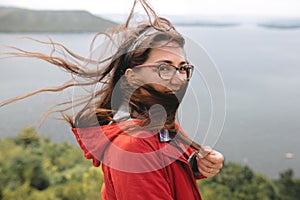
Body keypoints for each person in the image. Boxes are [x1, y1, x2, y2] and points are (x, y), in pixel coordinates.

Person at [1, 0, 224, 199]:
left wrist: (194, 165)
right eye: (164, 67)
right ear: (133, 76)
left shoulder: (158, 121)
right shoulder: (134, 146)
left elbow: (165, 173)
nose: (179, 78)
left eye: (183, 68)